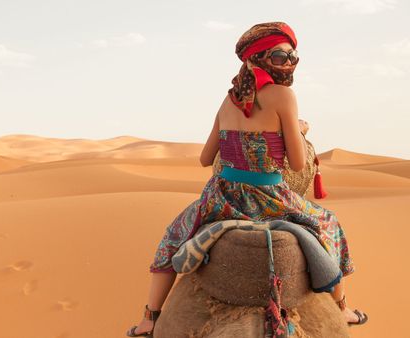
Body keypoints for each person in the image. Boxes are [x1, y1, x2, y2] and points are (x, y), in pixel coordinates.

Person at [126, 21, 368, 337]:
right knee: (329, 224)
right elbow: (296, 163)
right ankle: (342, 307)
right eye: (281, 55)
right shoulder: (284, 95)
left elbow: (204, 159)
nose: (290, 62)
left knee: (173, 236)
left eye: (294, 55)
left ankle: (150, 317)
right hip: (270, 196)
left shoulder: (228, 101)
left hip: (221, 196)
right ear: (256, 57)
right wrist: (297, 129)